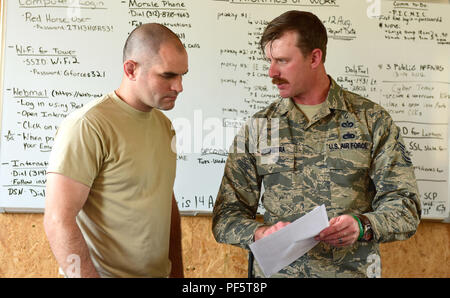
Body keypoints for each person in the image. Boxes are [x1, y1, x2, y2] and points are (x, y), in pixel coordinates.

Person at [212, 11, 421, 277]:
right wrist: (261, 232)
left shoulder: (372, 121)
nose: (271, 72)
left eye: (282, 61)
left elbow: (405, 205)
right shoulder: (259, 127)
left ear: (314, 57)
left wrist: (363, 225)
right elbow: (226, 217)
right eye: (270, 61)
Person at [44, 23, 188, 278]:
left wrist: (176, 272)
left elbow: (166, 201)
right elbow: (58, 221)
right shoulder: (88, 125)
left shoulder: (165, 127)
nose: (178, 87)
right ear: (131, 69)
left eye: (182, 75)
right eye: (167, 75)